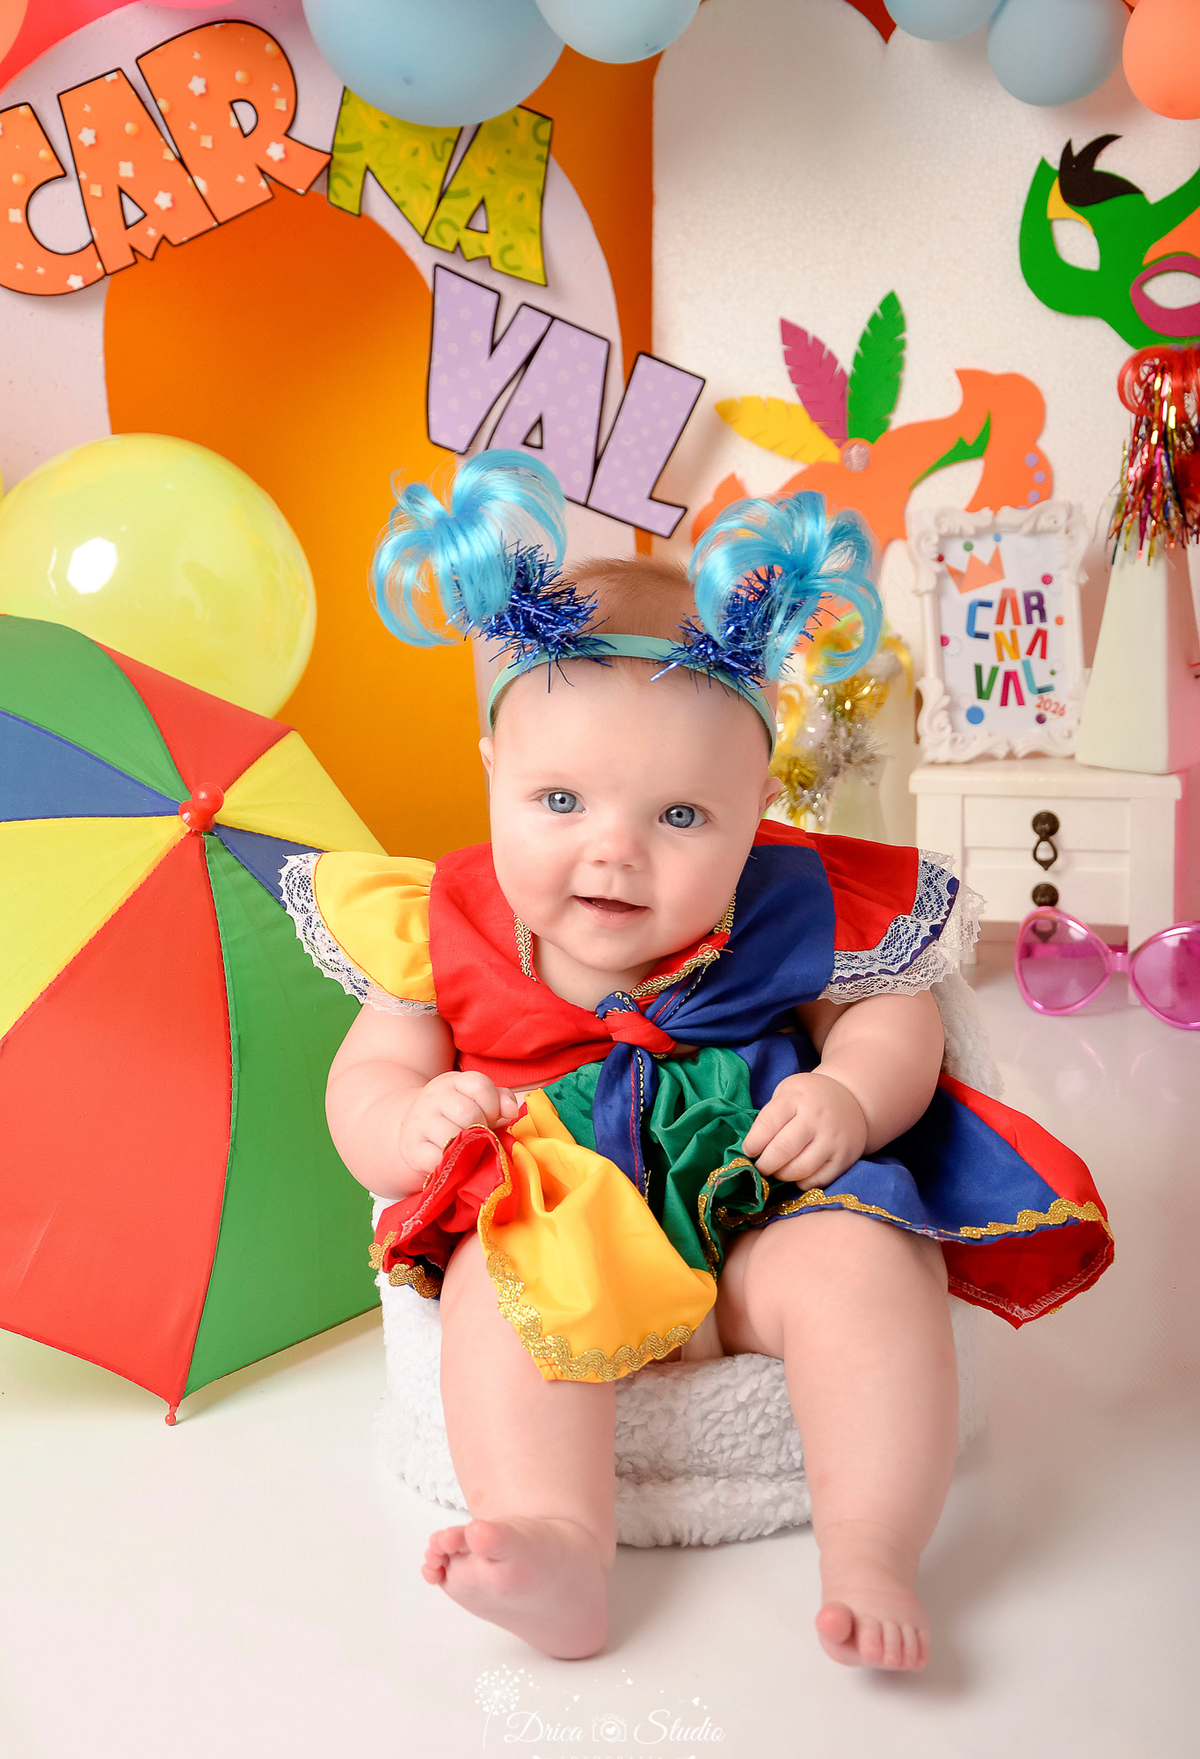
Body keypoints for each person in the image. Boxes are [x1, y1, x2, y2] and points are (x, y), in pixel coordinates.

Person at [282, 451, 1112, 1670]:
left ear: (754, 806)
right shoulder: (442, 921)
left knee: (870, 1271)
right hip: (556, 1239)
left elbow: (895, 1016)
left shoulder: (792, 899)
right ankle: (559, 1542)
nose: (613, 852)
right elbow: (363, 1080)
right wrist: (410, 1122)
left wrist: (848, 1093)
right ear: (493, 771)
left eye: (680, 817)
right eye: (560, 802)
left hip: (759, 1225)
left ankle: (873, 1545)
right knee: (487, 1300)